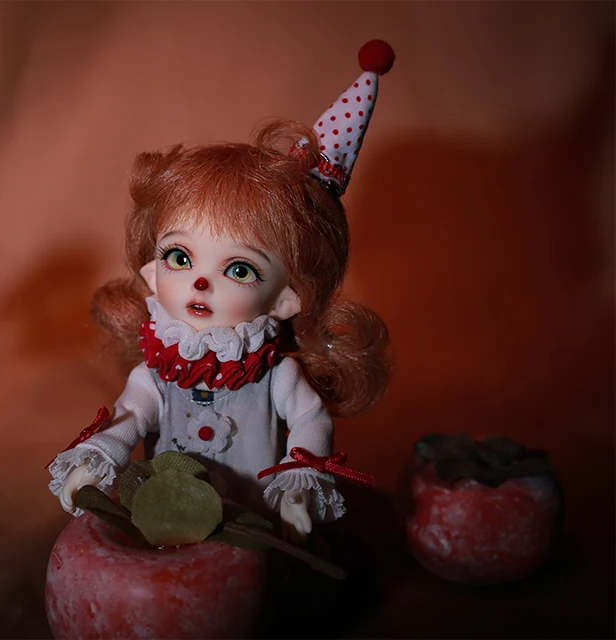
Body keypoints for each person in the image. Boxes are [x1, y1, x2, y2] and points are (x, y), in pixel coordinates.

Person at [48, 40, 394, 542]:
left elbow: (309, 418)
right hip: (168, 521)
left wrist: (298, 482)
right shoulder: (157, 371)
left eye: (239, 268)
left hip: (252, 523)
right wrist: (100, 457)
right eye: (180, 258)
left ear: (287, 299)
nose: (200, 281)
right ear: (151, 274)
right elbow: (130, 416)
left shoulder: (275, 375)